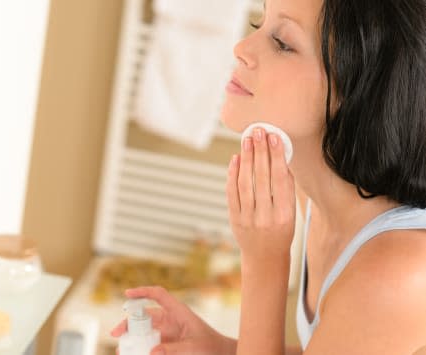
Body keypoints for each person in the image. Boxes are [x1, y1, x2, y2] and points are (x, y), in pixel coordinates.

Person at [111, 0, 426, 353]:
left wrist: (265, 262)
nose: (241, 48)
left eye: (282, 43)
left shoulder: (398, 273)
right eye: (260, 24)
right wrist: (220, 348)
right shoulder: (321, 203)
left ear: (360, 90)